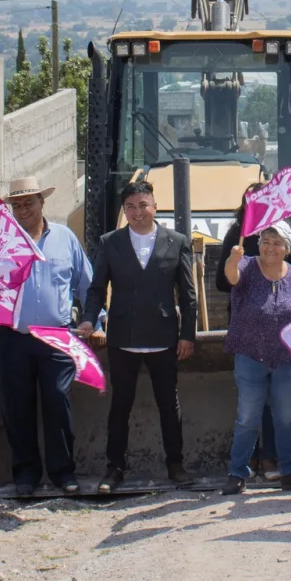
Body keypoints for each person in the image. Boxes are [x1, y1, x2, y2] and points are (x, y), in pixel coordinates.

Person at [78, 181, 197, 492]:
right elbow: (96, 289)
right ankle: (114, 467)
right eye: (130, 207)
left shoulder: (177, 242)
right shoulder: (110, 242)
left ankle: (175, 463)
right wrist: (90, 319)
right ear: (124, 211)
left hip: (164, 336)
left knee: (168, 404)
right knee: (121, 404)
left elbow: (188, 295)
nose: (137, 212)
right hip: (123, 337)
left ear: (155, 207)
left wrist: (187, 335)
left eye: (143, 205)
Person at [0, 176, 94, 496]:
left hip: (56, 336)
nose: (23, 209)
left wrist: (96, 320)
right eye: (17, 205)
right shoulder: (0, 243)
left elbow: (86, 284)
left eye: (29, 203)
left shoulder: (65, 239)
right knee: (16, 406)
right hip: (11, 336)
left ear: (42, 203)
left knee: (57, 403)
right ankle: (25, 475)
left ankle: (63, 473)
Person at [216, 181, 291, 479]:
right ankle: (238, 473)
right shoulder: (246, 259)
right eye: (265, 241)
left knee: (284, 416)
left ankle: (287, 470)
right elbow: (230, 277)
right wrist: (233, 260)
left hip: (285, 356)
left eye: (277, 242)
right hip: (250, 351)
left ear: (287, 248)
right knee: (247, 416)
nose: (270, 247)